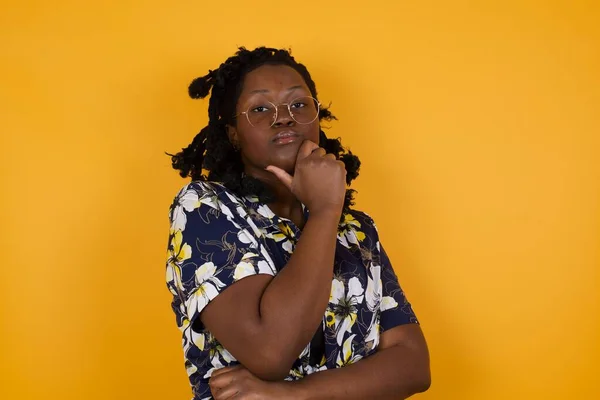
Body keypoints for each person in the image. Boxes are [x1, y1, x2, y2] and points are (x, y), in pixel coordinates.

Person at [165, 46, 431, 400]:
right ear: (233, 133)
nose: (284, 118)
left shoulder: (355, 229)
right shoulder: (206, 208)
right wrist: (323, 212)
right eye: (260, 109)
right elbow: (269, 352)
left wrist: (292, 395)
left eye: (299, 104)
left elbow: (413, 365)